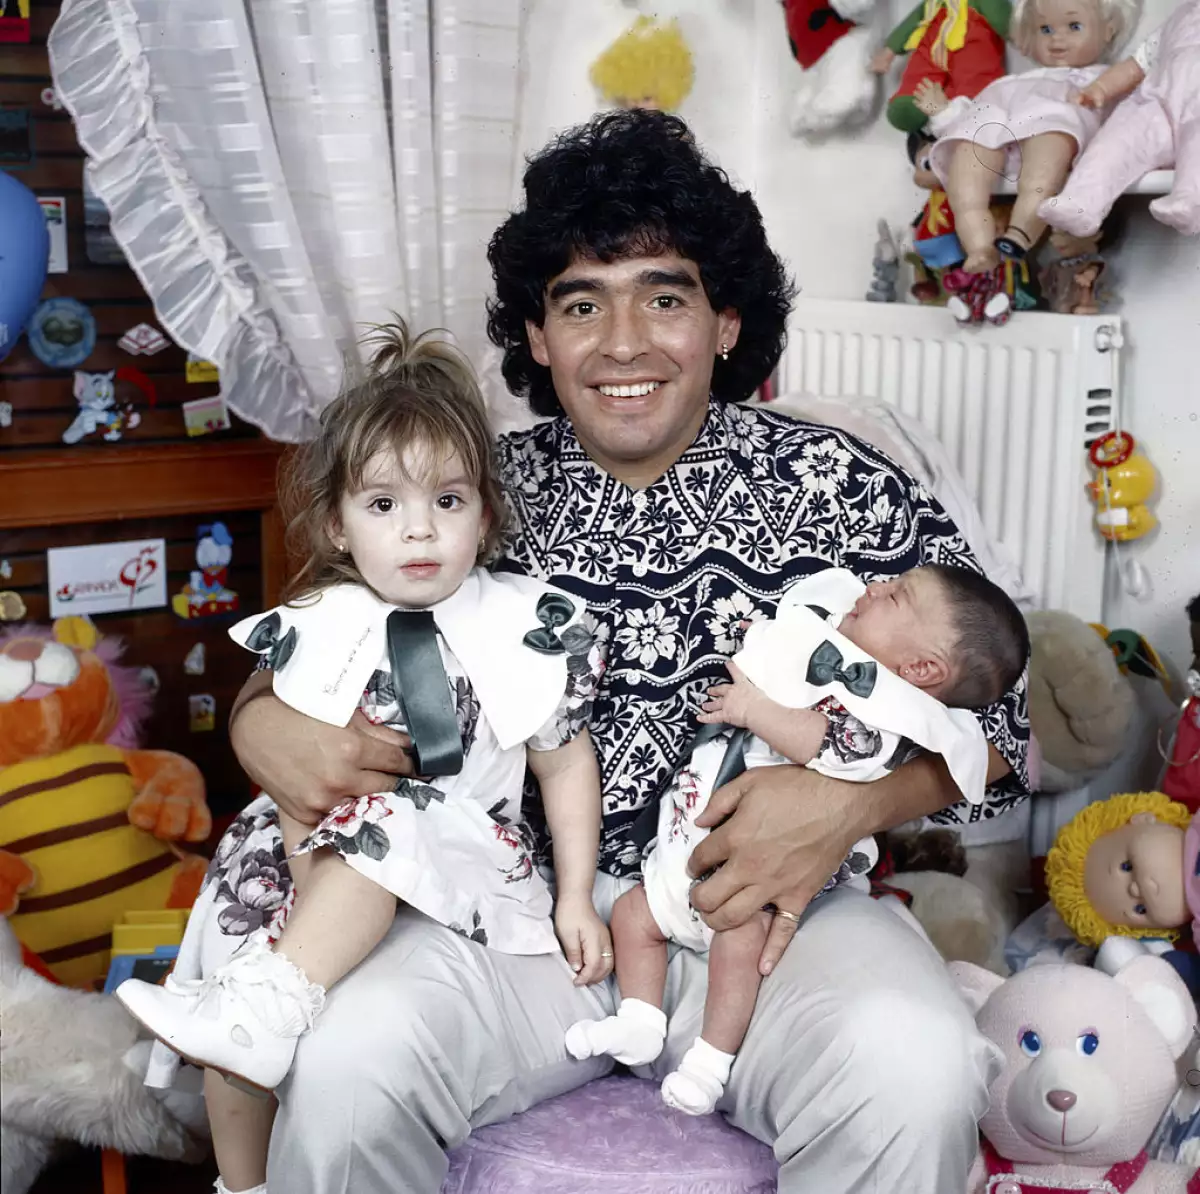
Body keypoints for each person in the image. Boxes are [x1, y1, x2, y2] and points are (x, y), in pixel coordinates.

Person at [200, 109, 1028, 1193]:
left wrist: (846, 810)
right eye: (582, 303)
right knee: (350, 1066)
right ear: (538, 338)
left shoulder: (838, 480)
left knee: (914, 1068)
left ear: (727, 322)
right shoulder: (470, 484)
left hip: (773, 921)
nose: (625, 342)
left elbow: (1004, 725)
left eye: (666, 296)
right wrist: (259, 726)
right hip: (516, 922)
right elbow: (306, 648)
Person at [123, 325, 611, 1194]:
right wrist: (304, 878)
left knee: (381, 822)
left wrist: (576, 894)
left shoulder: (524, 623)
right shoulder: (319, 623)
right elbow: (292, 775)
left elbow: (564, 764)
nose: (418, 530)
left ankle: (269, 1005)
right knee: (252, 978)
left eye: (448, 502)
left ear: (485, 514)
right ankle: (243, 1179)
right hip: (315, 854)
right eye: (384, 506)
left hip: (462, 854)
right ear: (339, 527)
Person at [565, 563, 1029, 1116]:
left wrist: (751, 709)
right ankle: (640, 1020)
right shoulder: (824, 632)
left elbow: (827, 744)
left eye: (896, 595)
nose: (873, 586)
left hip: (759, 879)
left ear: (923, 667)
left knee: (739, 950)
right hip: (675, 850)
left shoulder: (885, 712)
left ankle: (710, 1062)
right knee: (634, 915)